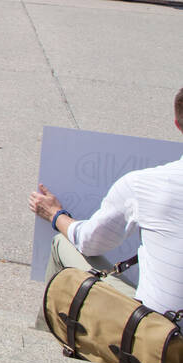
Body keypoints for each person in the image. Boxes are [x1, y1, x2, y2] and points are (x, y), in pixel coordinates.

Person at [28, 87, 183, 316]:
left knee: (64, 243)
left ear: (178, 125)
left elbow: (89, 242)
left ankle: (53, 335)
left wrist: (56, 215)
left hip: (159, 340)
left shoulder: (142, 184)